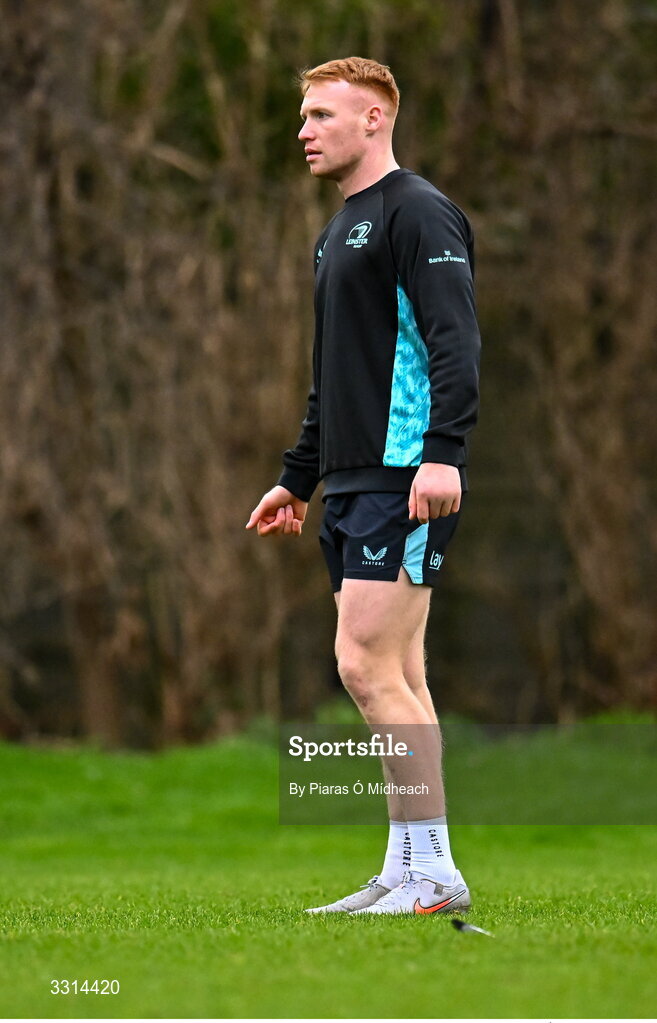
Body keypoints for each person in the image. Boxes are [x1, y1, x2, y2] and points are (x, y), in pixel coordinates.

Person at [246, 57, 480, 915]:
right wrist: (296, 478)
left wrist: (443, 451)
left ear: (374, 118)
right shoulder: (335, 229)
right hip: (348, 483)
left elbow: (455, 341)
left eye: (319, 114)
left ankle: (433, 872)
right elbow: (331, 376)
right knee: (398, 671)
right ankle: (406, 865)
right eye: (302, 115)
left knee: (362, 662)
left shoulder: (417, 212)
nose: (303, 130)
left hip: (403, 475)